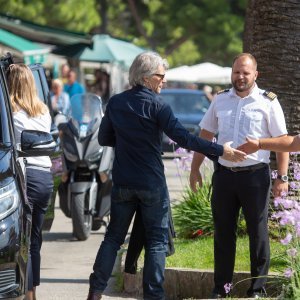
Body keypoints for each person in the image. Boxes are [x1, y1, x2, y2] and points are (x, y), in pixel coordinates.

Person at [86, 51, 246, 300]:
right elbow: (184, 138)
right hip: (151, 184)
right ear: (147, 77)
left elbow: (104, 138)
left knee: (113, 238)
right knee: (157, 243)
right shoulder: (158, 105)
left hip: (124, 183)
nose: (165, 81)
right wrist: (220, 150)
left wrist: (129, 140)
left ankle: (95, 293)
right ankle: (154, 296)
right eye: (161, 76)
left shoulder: (116, 102)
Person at [189, 53, 289, 299]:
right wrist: (194, 169)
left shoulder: (268, 101)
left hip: (255, 177)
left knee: (258, 233)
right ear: (231, 73)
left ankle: (257, 289)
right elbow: (205, 134)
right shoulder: (220, 100)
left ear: (256, 74)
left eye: (246, 72)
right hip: (223, 175)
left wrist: (282, 178)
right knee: (223, 232)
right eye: (236, 72)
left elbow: (282, 142)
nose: (240, 77)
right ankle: (221, 288)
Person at [6, 64, 54, 300]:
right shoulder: (43, 111)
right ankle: (31, 291)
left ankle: (26, 291)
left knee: (22, 240)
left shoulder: (11, 114)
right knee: (35, 238)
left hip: (27, 177)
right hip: (45, 177)